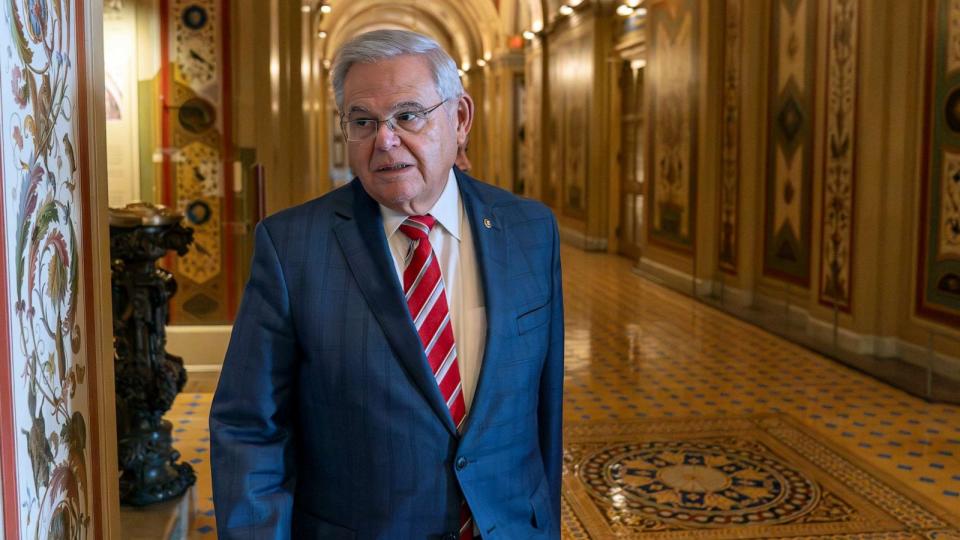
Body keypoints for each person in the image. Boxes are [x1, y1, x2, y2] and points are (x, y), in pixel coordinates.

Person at [209, 29, 563, 539]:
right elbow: (248, 428)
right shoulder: (292, 247)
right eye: (363, 121)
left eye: (408, 115)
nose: (386, 140)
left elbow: (543, 416)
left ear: (459, 119)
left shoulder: (531, 231)